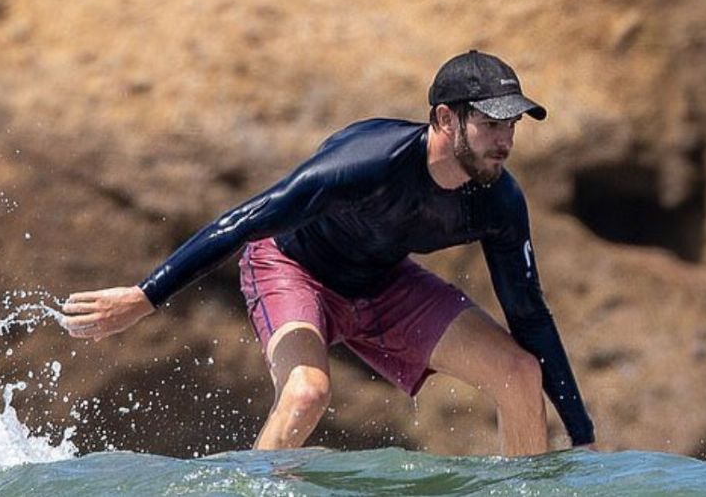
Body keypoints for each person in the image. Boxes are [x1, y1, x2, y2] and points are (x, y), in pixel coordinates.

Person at [61, 50, 595, 456]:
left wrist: (582, 437)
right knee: (306, 393)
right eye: (489, 124)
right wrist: (145, 296)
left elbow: (529, 313)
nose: (503, 141)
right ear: (445, 120)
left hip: (384, 282)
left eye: (511, 126)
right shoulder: (367, 163)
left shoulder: (498, 200)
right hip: (291, 268)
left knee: (521, 374)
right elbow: (248, 218)